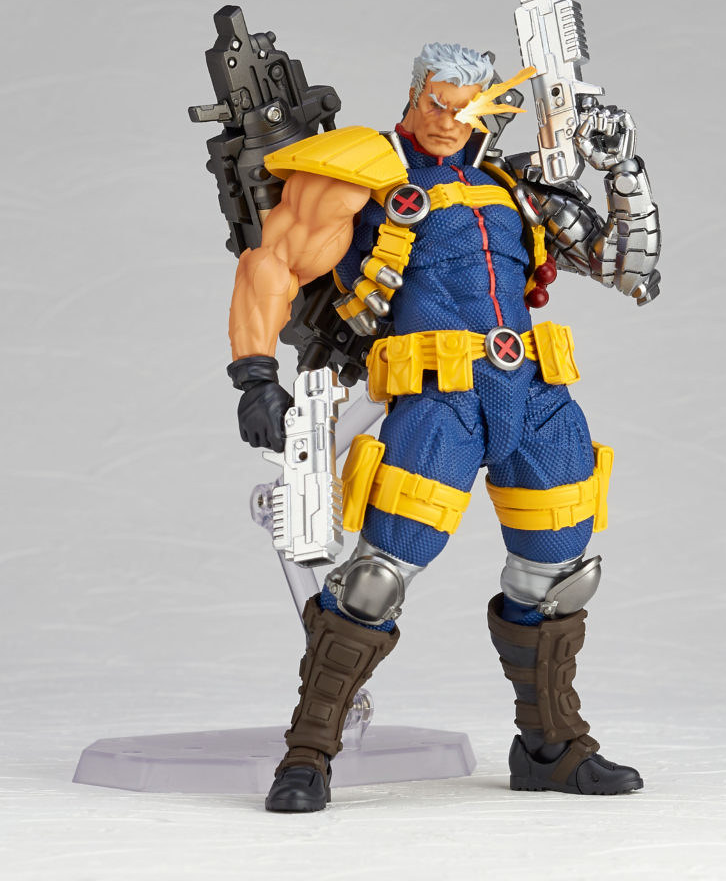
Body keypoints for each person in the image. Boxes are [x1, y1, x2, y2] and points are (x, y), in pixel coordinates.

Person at [226, 41, 660, 812]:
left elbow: (624, 266)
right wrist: (255, 373)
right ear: (413, 94)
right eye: (437, 102)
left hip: (534, 393)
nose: (448, 120)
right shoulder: (367, 170)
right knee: (374, 581)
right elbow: (274, 261)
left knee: (558, 577)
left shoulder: (514, 182)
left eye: (466, 108)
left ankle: (550, 747)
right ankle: (309, 755)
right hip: (438, 398)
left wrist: (621, 167)